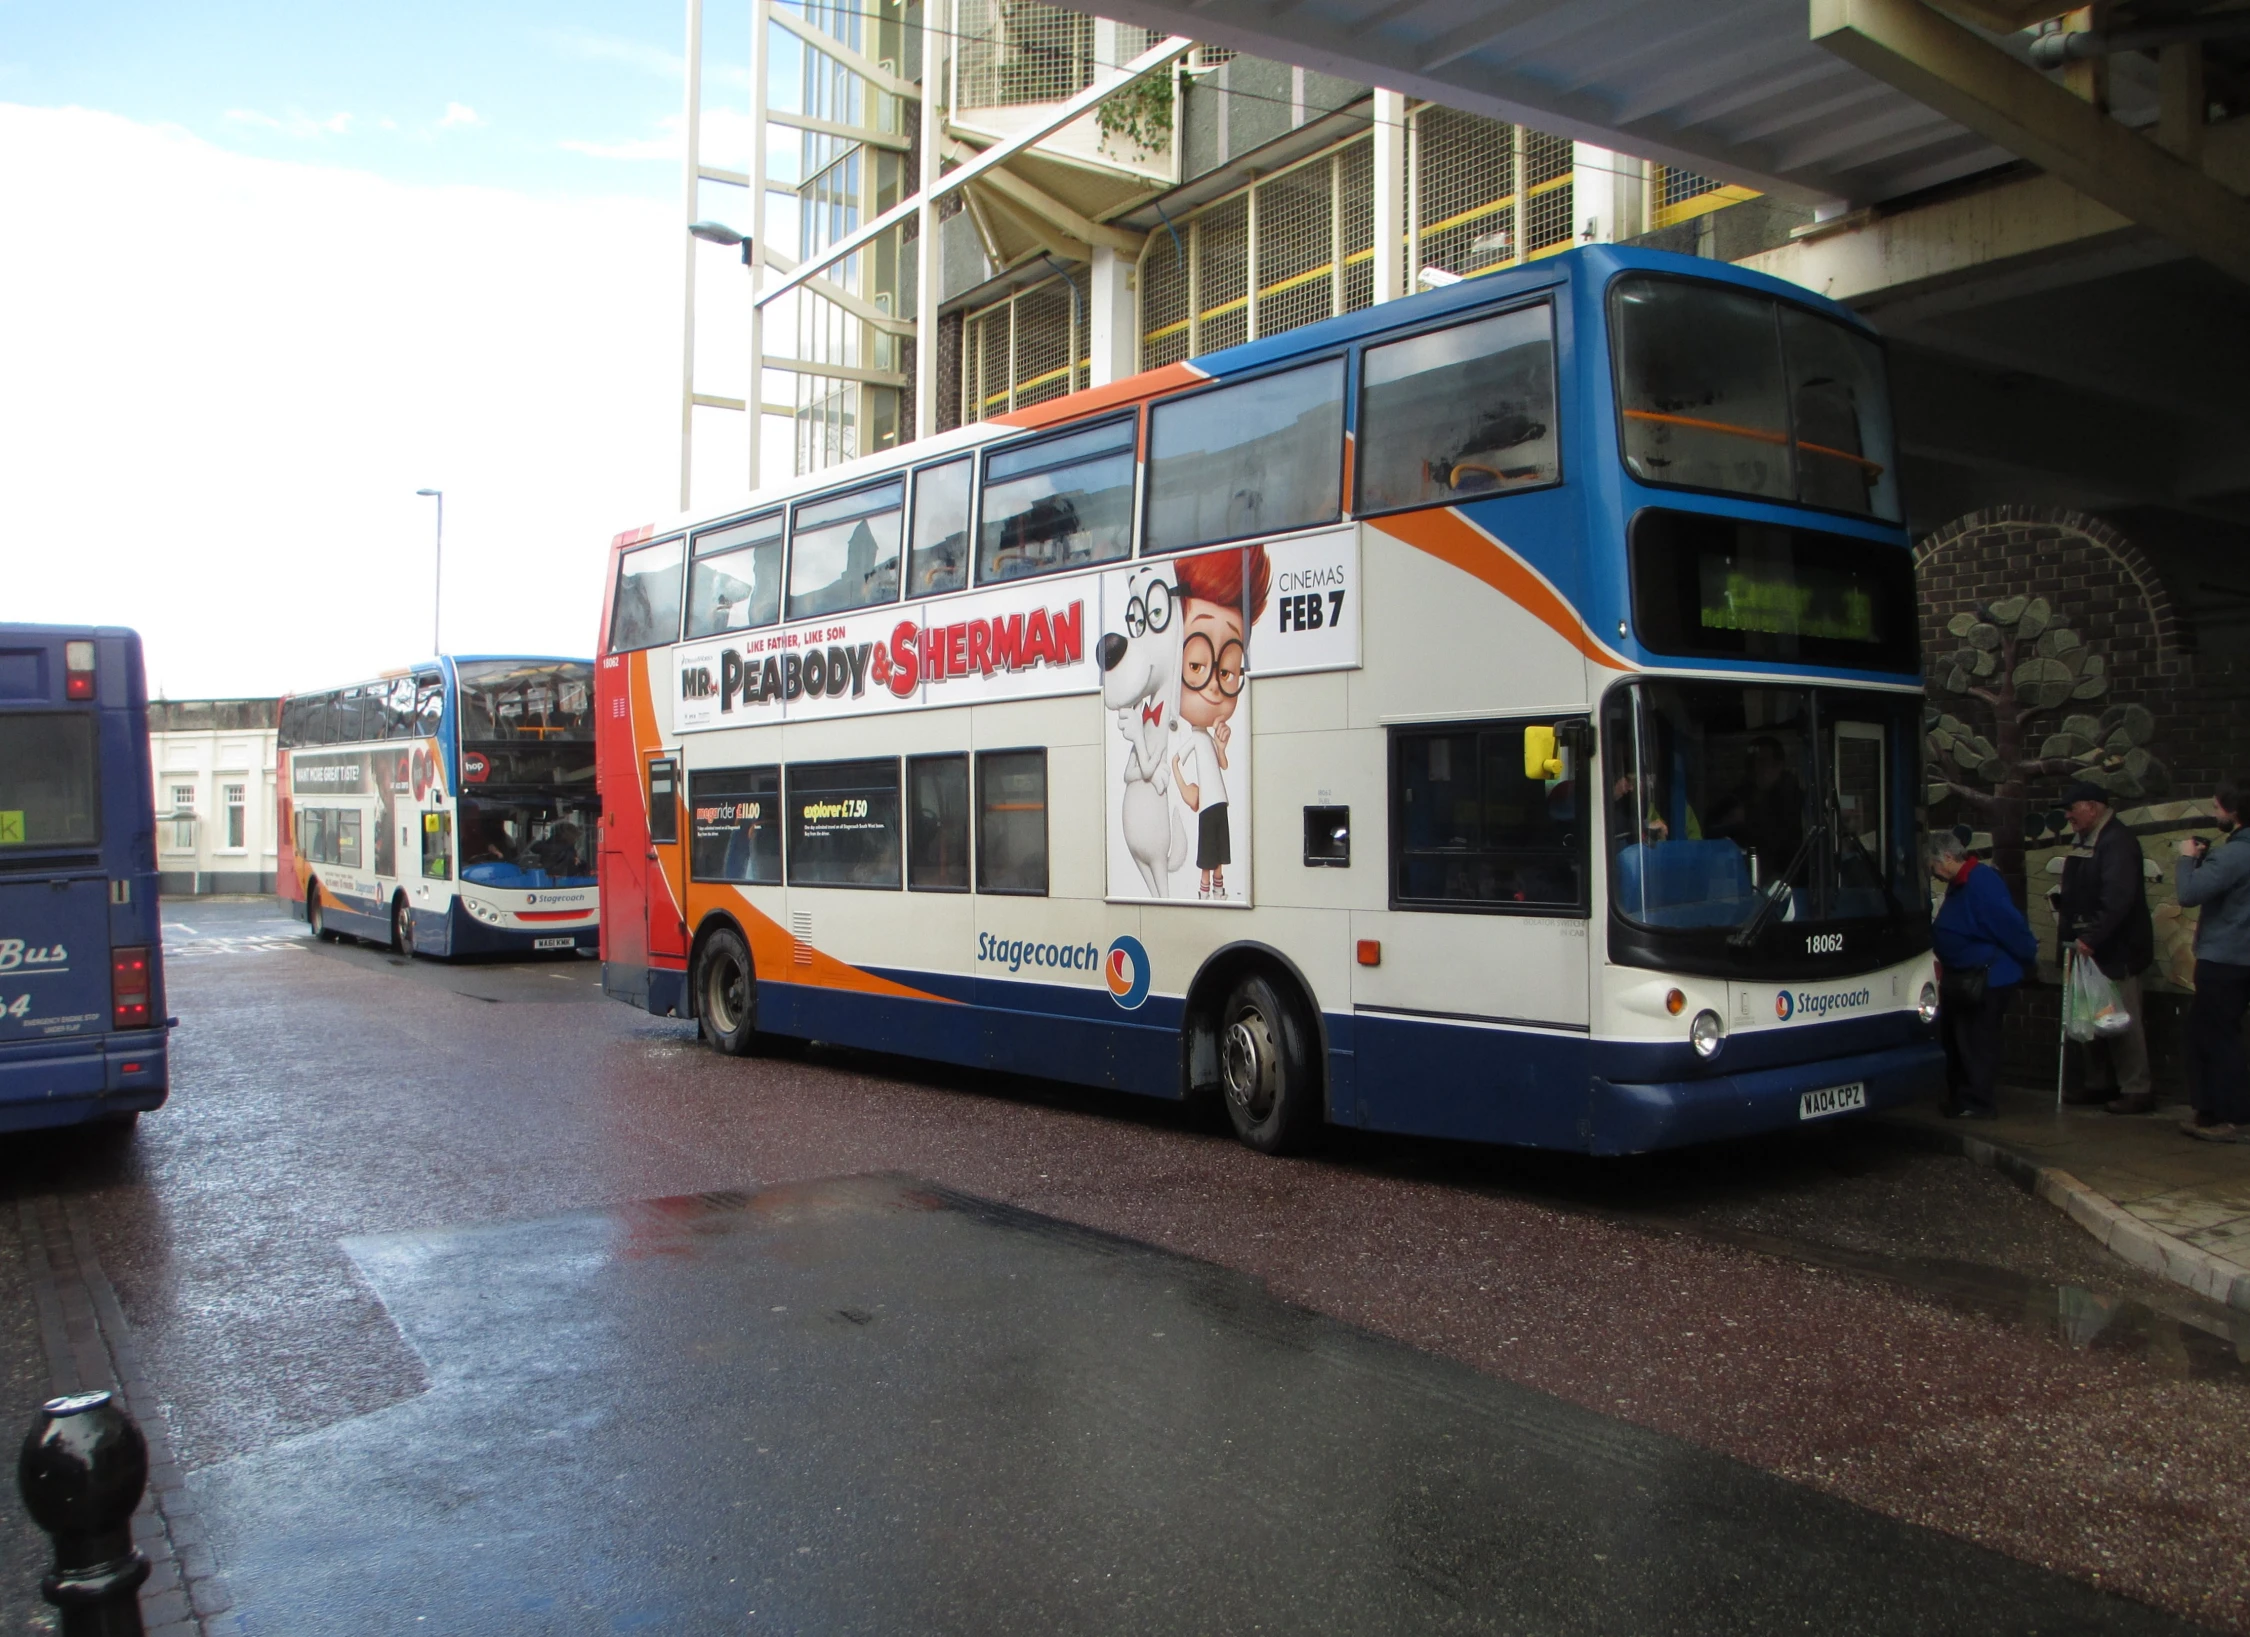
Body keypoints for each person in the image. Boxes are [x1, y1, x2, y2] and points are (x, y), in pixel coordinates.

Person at [1170, 545, 1268, 901]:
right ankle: (1206, 888)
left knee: (1219, 849)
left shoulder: (1208, 739)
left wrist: (1223, 747)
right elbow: (1175, 760)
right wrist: (1185, 789)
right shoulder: (1195, 738)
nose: (1213, 683)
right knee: (1209, 850)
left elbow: (1222, 764)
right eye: (1196, 666)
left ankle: (1217, 886)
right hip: (1208, 802)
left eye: (1227, 671)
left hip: (1219, 801)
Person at [2053, 780, 2156, 1113]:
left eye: (2072, 808)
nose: (2068, 815)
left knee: (2123, 1017)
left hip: (2117, 948)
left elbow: (2119, 898)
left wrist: (2092, 936)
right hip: (2089, 946)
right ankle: (2099, 1083)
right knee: (2091, 1015)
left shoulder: (2116, 843)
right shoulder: (2086, 841)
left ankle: (2136, 1087)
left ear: (2092, 807)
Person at [1928, 832, 2039, 1119]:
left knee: (1976, 1040)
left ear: (1948, 858)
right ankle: (1963, 1098)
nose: (1933, 873)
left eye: (1932, 865)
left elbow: (2009, 925)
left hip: (1986, 977)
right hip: (1964, 976)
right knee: (1958, 1038)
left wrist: (2028, 955)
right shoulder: (1961, 883)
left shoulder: (1981, 882)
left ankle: (1977, 1102)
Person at [2175, 783, 2250, 1141]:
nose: (2215, 813)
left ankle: (2230, 1117)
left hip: (2224, 958)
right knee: (2216, 1034)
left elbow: (2189, 894)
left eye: (2218, 807)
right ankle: (2213, 1111)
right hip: (2243, 957)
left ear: (2234, 813)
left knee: (2215, 1037)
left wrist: (2188, 858)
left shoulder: (2234, 855)